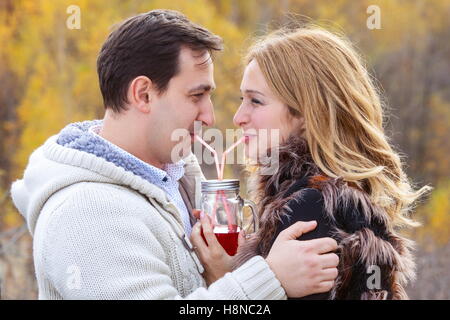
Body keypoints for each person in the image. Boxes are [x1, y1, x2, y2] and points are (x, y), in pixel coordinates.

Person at [10, 10, 339, 300]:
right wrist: (269, 279)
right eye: (196, 96)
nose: (210, 116)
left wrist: (227, 270)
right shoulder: (87, 213)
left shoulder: (179, 179)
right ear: (143, 94)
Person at [190, 25, 431, 299]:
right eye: (241, 99)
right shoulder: (335, 197)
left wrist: (221, 277)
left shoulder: (310, 208)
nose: (238, 117)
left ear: (306, 113)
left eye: (255, 101)